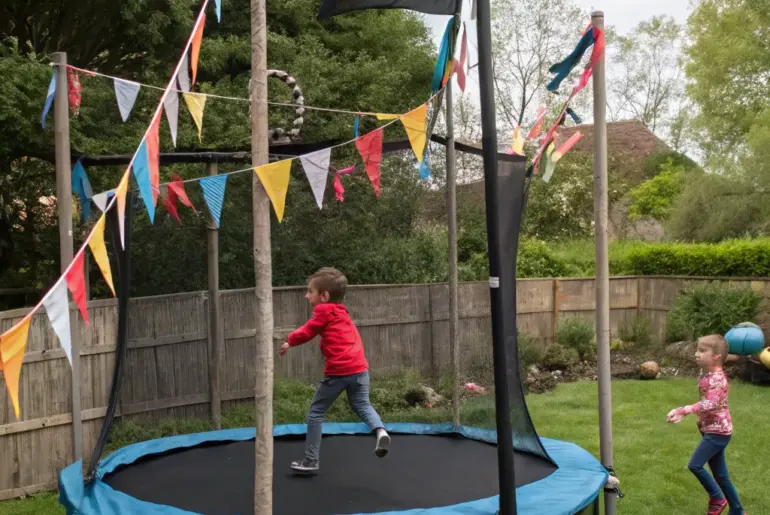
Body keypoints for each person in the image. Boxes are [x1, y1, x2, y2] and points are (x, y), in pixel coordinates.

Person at [279, 267, 390, 474]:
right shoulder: (341, 312)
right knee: (362, 404)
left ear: (324, 296)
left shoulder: (323, 311)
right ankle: (381, 431)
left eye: (310, 291)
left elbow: (307, 331)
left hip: (340, 370)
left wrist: (289, 341)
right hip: (360, 369)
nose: (306, 296)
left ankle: (311, 461)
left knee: (315, 413)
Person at [666, 334, 746, 515]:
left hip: (718, 433)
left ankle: (717, 498)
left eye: (702, 350)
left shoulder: (717, 378)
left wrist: (684, 409)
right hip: (712, 430)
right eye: (697, 349)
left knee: (695, 465)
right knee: (721, 476)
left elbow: (711, 403)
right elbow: (706, 402)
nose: (696, 354)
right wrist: (686, 415)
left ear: (716, 356)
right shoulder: (708, 375)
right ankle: (737, 510)